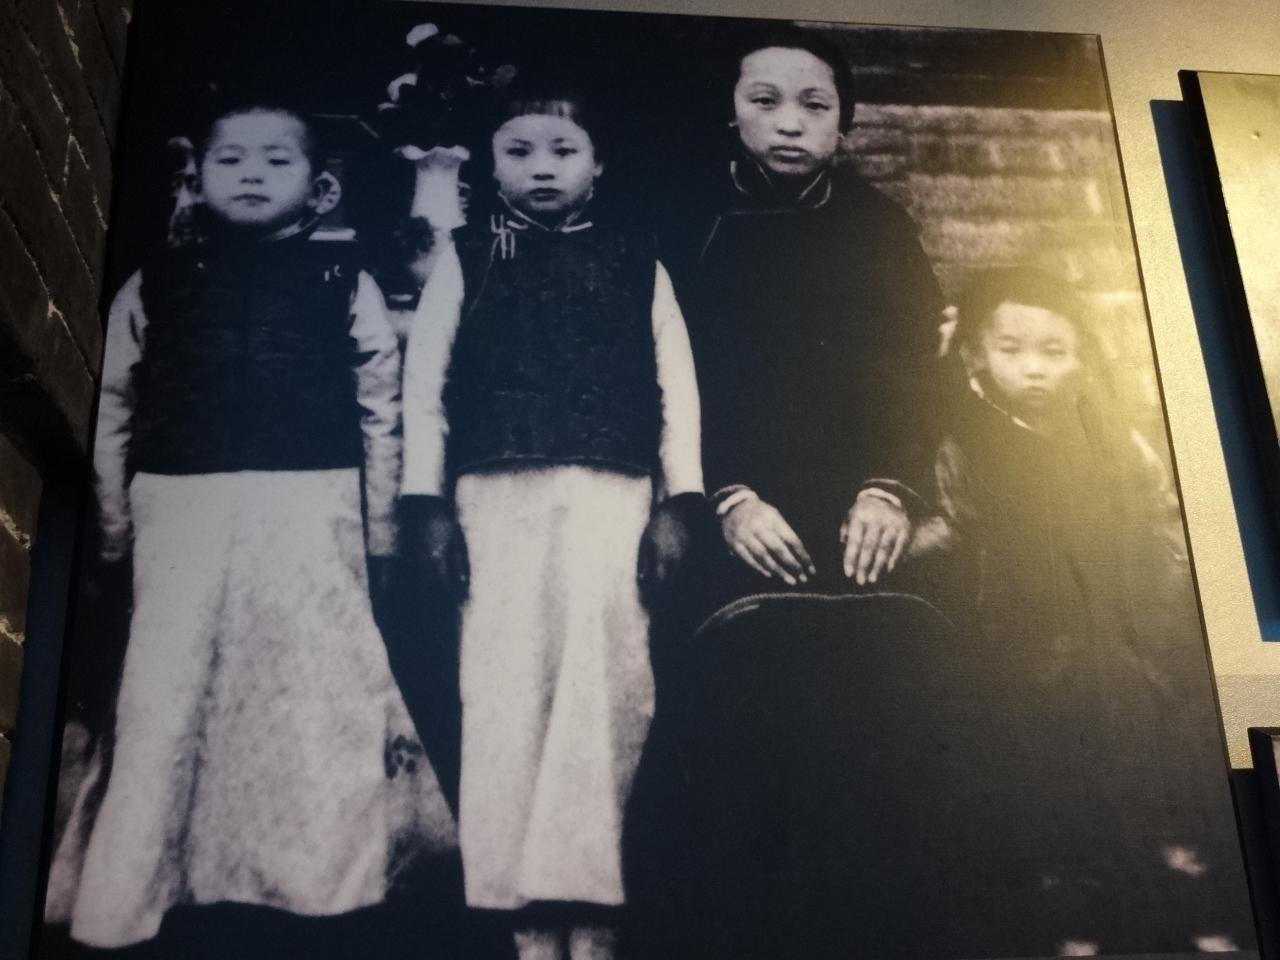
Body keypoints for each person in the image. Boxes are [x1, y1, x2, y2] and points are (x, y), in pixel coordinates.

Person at [44, 99, 453, 950]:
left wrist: (377, 536)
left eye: (276, 161)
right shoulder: (153, 285)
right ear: (198, 179)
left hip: (311, 514)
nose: (253, 175)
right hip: (179, 510)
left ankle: (314, 881)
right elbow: (112, 407)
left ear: (321, 187)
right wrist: (115, 531)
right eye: (231, 161)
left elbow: (380, 411)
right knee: (169, 692)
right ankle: (152, 881)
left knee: (309, 692)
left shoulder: (346, 282)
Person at [400, 83, 704, 960]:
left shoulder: (640, 263)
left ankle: (594, 908)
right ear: (491, 168)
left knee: (606, 695)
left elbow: (678, 393)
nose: (542, 168)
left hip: (613, 504)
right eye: (520, 152)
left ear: (597, 164)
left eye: (563, 151)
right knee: (504, 692)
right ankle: (524, 916)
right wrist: (428, 507)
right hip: (495, 507)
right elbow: (425, 391)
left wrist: (678, 504)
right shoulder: (467, 259)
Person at [929, 266, 1245, 955]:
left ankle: (1183, 882)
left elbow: (1159, 515)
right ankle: (1070, 899)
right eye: (1012, 350)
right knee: (1061, 745)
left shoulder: (1110, 435)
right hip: (1015, 633)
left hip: (1116, 620)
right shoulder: (965, 440)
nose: (1034, 369)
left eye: (1054, 351)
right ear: (977, 355)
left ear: (1079, 357)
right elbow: (957, 529)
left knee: (1151, 712)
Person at [667, 23, 946, 603]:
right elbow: (667, 375)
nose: (790, 124)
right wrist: (729, 500)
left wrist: (888, 492)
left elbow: (918, 369)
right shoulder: (687, 222)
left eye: (814, 105)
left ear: (843, 122)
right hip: (723, 500)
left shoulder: (881, 227)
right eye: (764, 101)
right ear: (732, 112)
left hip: (859, 508)